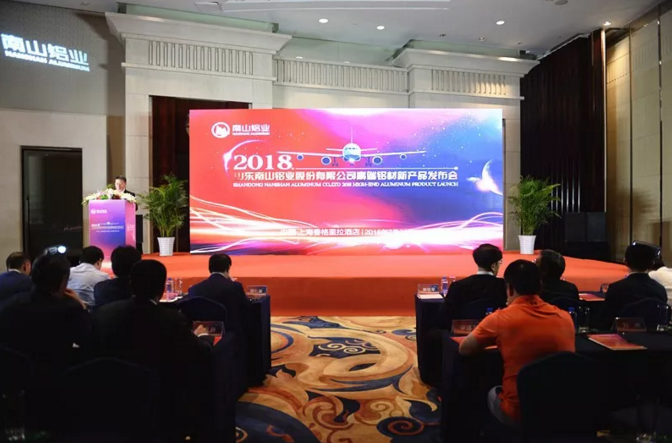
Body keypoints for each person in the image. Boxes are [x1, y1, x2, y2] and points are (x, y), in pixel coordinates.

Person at [91, 260, 214, 439]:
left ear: (131, 284)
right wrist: (204, 337)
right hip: (161, 402)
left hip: (111, 398)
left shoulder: (104, 313)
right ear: (162, 288)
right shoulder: (171, 319)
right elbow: (199, 353)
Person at [458, 260, 575, 427]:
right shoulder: (565, 317)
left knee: (487, 390)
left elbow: (464, 349)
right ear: (540, 286)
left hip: (519, 413)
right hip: (564, 409)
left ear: (510, 289)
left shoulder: (499, 319)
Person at [0, 253, 90, 374]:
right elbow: (89, 340)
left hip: (16, 376)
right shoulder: (71, 309)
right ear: (63, 282)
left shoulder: (11, 305)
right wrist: (82, 306)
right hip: (57, 377)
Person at [436, 244, 507, 329]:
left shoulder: (458, 286)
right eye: (500, 262)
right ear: (493, 266)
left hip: (463, 332)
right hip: (496, 331)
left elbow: (444, 315)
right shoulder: (504, 286)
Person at [601, 244, 667, 328]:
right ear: (652, 264)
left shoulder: (616, 288)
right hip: (654, 335)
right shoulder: (660, 290)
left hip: (622, 334)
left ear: (625, 262)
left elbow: (606, 320)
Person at [187, 253, 250, 335]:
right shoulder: (234, 287)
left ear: (209, 268)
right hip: (229, 333)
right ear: (227, 268)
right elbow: (247, 307)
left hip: (202, 333)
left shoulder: (194, 289)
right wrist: (231, 283)